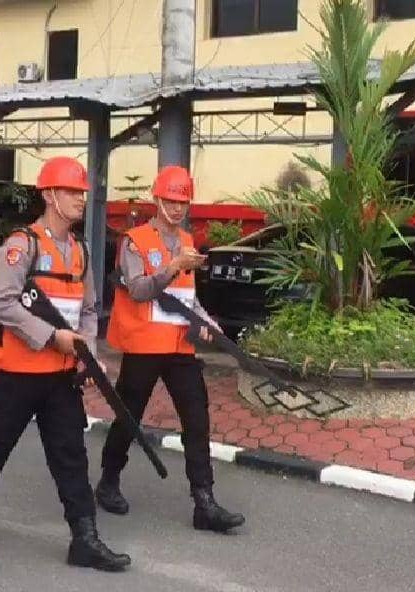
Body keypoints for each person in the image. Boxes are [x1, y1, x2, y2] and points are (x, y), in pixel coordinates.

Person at [0, 156, 130, 572]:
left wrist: (87, 355)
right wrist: (51, 337)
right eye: (71, 191)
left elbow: (89, 309)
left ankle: (85, 538)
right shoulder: (21, 245)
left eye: (82, 192)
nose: (81, 199)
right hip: (16, 375)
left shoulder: (80, 250)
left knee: (71, 456)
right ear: (49, 195)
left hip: (61, 377)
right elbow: (1, 303)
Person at [97, 165, 245, 533]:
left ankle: (204, 501)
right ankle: (108, 479)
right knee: (129, 416)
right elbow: (138, 289)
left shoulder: (188, 242)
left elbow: (187, 298)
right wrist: (173, 264)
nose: (177, 208)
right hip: (144, 344)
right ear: (157, 199)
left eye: (183, 201)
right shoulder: (133, 241)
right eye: (171, 200)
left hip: (179, 345)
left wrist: (205, 320)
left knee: (197, 419)